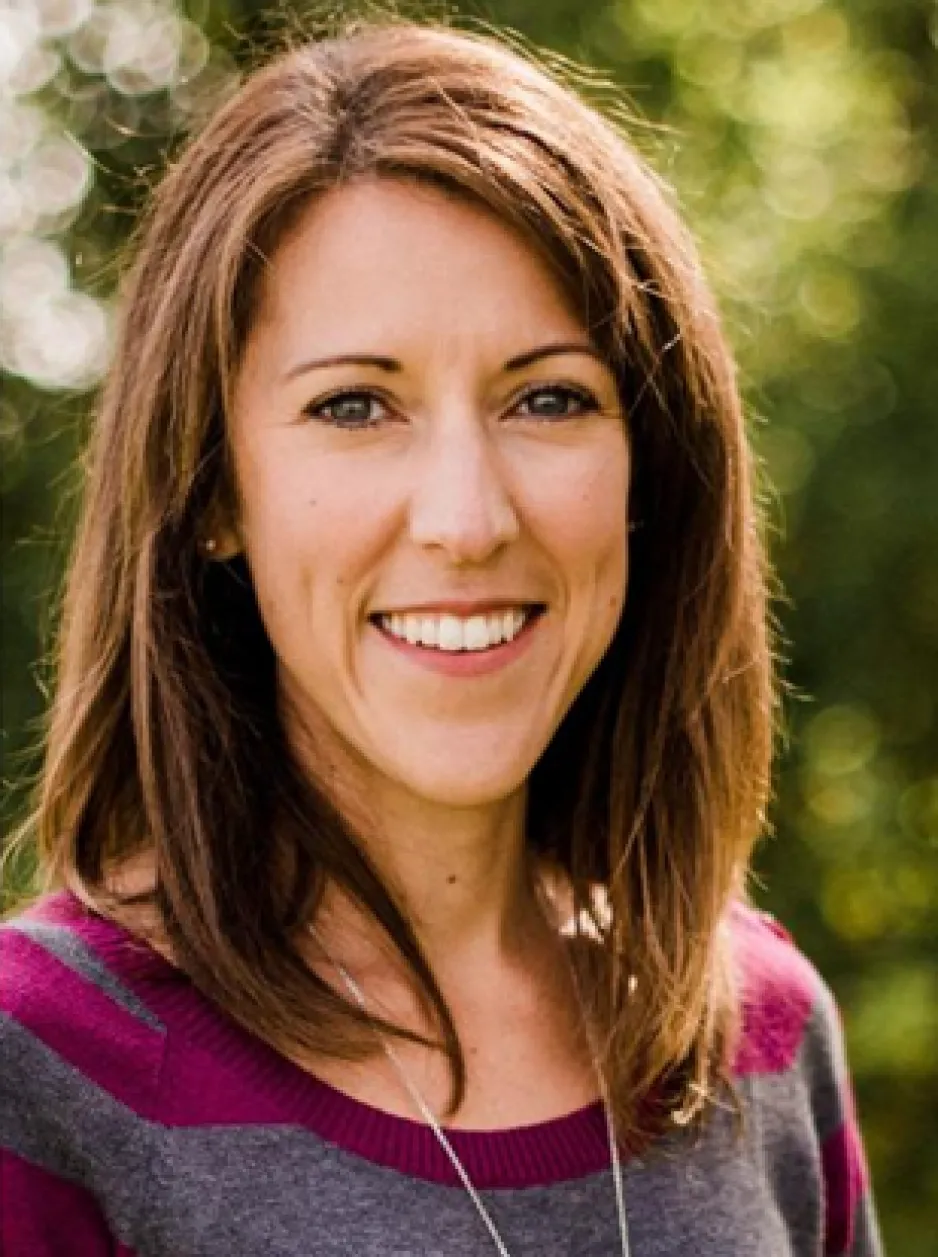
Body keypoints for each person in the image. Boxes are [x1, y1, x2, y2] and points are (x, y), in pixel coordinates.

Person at [0, 16, 883, 1257]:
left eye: (548, 398)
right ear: (209, 491)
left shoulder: (765, 1039)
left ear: (649, 474)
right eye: (354, 405)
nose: (466, 521)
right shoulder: (40, 1069)